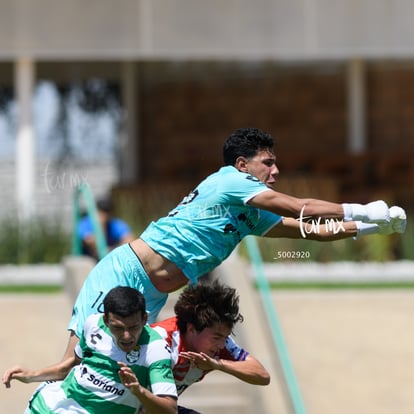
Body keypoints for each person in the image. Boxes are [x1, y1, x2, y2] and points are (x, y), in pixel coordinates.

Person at [64, 127, 407, 361]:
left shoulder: (250, 212)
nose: (275, 171)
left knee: (121, 365)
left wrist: (369, 227)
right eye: (268, 163)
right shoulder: (232, 180)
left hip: (152, 293)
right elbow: (297, 206)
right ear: (243, 164)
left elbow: (308, 230)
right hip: (123, 271)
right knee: (77, 356)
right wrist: (362, 207)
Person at [2, 287, 178, 414]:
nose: (126, 336)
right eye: (117, 328)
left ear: (145, 318)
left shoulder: (156, 349)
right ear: (106, 319)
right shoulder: (93, 324)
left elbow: (170, 410)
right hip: (52, 405)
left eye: (133, 327)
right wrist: (31, 375)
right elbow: (71, 366)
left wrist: (138, 390)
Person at [149, 280, 270, 414]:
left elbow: (262, 375)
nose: (222, 345)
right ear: (192, 329)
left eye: (226, 336)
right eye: (217, 337)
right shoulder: (161, 339)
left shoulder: (222, 344)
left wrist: (218, 364)